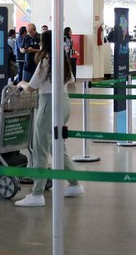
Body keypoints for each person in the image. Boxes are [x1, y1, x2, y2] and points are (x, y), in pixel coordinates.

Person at [15, 30, 84, 207]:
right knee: (57, 145)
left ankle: (37, 193)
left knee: (40, 147)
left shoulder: (46, 59)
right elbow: (71, 80)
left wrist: (21, 84)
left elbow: (31, 87)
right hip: (64, 102)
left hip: (48, 104)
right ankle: (74, 183)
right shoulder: (62, 58)